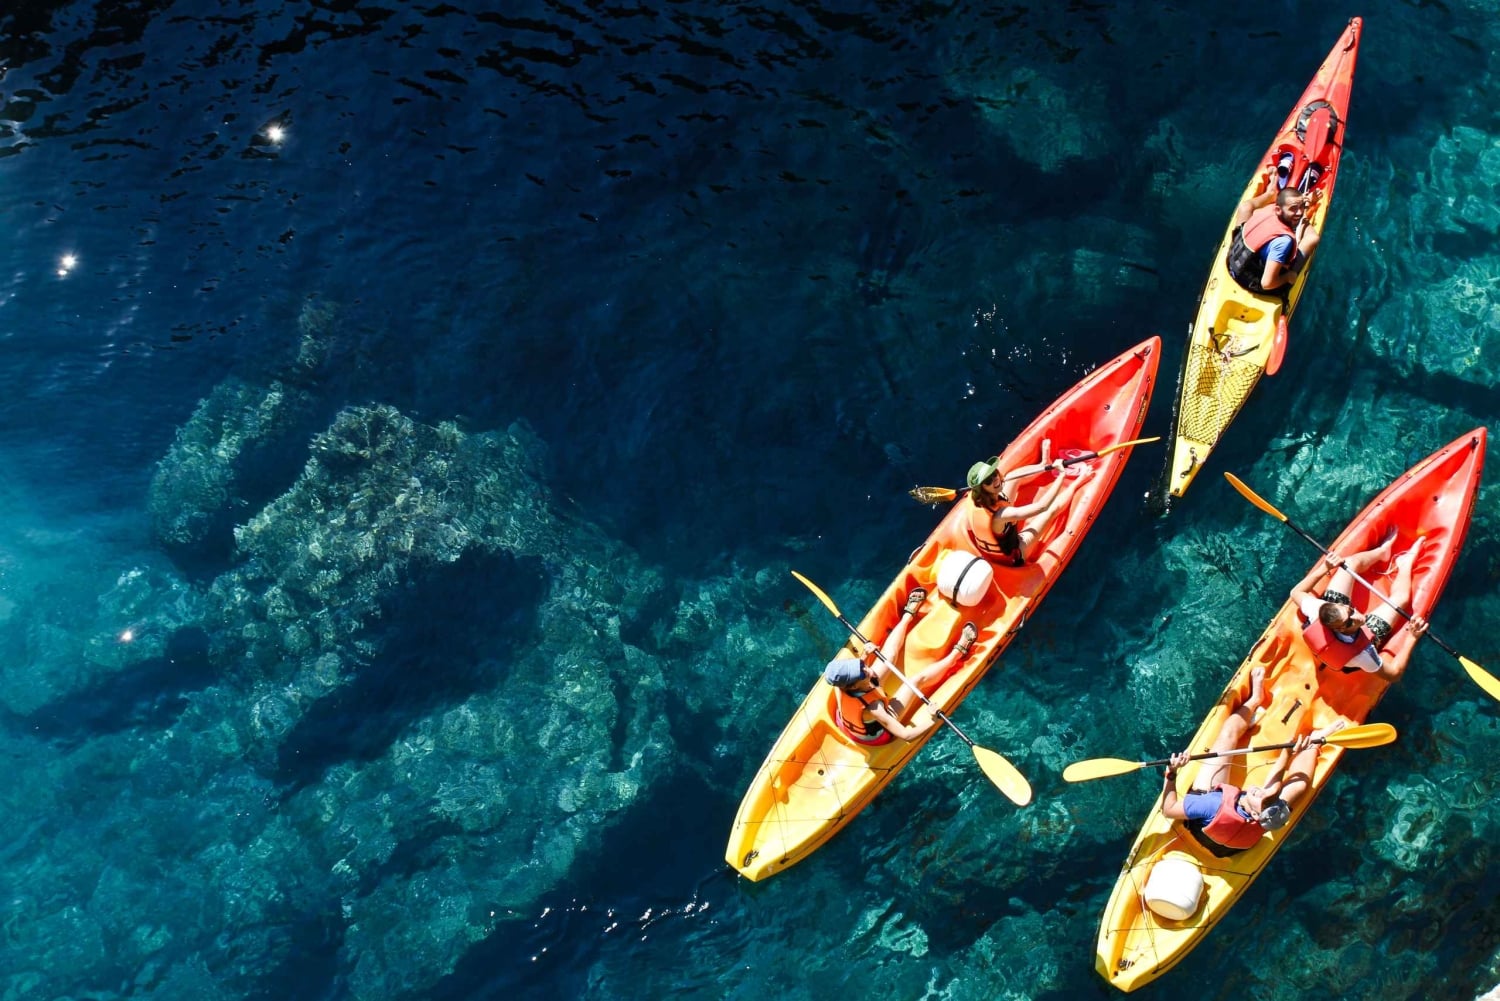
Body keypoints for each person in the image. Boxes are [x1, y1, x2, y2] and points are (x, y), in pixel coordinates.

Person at [1160, 667, 1343, 851]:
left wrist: (1172, 773)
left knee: (1228, 732)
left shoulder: (1211, 803)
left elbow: (1169, 810)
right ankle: (1313, 742)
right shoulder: (1264, 813)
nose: (1263, 792)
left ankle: (1255, 701)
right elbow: (1273, 788)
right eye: (1269, 796)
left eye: (1264, 798)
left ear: (1256, 816)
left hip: (1208, 818)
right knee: (1299, 785)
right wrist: (1287, 753)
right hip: (1222, 839)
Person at [823, 587, 979, 744]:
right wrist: (934, 718)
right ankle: (957, 654)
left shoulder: (841, 683)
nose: (867, 669)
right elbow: (906, 735)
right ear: (854, 686)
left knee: (888, 655)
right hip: (878, 733)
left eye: (860, 665)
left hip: (855, 708)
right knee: (915, 681)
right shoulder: (874, 708)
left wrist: (865, 654)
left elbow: (856, 673)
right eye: (862, 673)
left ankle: (907, 615)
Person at [1288, 534, 1430, 681]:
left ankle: (1382, 551)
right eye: (1349, 622)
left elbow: (1296, 592)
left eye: (1350, 610)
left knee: (1350, 563)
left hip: (1336, 617)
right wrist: (1412, 638)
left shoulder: (1317, 609)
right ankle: (1405, 564)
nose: (1358, 616)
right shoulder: (1363, 655)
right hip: (1361, 639)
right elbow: (1394, 674)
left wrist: (1325, 567)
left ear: (1339, 605)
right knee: (1401, 599)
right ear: (1340, 629)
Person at [964, 440, 1091, 566]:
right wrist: (1062, 474)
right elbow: (1042, 506)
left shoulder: (973, 498)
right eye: (988, 481)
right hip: (1015, 554)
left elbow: (970, 526)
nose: (995, 479)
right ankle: (1078, 482)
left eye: (994, 474)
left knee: (1012, 478)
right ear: (983, 489)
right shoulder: (1001, 514)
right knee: (1050, 510)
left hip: (995, 544)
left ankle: (1043, 465)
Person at [1225, 184, 1321, 296]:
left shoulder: (1268, 209)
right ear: (1278, 209)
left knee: (1246, 207)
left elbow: (1285, 211)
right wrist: (1287, 277)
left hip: (1234, 261)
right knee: (1313, 238)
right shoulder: (1283, 242)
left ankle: (1270, 194)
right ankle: (1291, 274)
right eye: (1293, 208)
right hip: (1251, 281)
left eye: (1302, 206)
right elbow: (1267, 284)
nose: (1299, 212)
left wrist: (1301, 203)